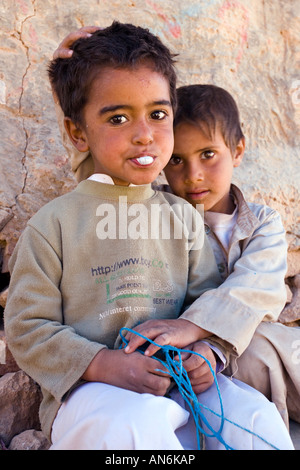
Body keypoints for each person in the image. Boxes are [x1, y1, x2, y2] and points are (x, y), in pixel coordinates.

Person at [4, 23, 294, 451]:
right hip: (95, 393)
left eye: (158, 115)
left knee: (255, 420)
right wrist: (102, 364)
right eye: (118, 118)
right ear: (77, 133)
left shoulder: (182, 218)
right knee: (133, 431)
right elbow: (28, 327)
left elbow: (205, 301)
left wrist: (207, 353)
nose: (144, 134)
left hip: (183, 379)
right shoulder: (55, 225)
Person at [161, 84, 300, 429]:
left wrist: (200, 335)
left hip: (240, 346)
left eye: (208, 154)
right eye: (176, 159)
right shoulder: (155, 215)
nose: (192, 174)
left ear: (237, 151)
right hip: (198, 360)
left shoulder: (262, 222)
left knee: (268, 344)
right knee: (256, 351)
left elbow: (256, 289)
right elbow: (101, 178)